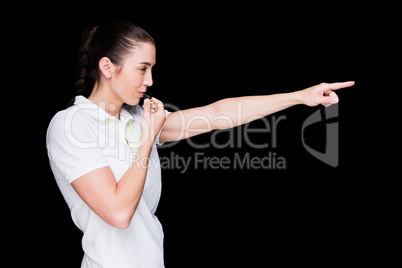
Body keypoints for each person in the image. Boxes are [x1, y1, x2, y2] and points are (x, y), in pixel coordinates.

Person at [46, 20, 354, 268]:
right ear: (108, 67)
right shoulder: (71, 125)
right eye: (142, 68)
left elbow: (217, 114)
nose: (150, 80)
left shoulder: (137, 118)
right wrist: (148, 138)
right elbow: (118, 213)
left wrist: (300, 96)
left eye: (152, 68)